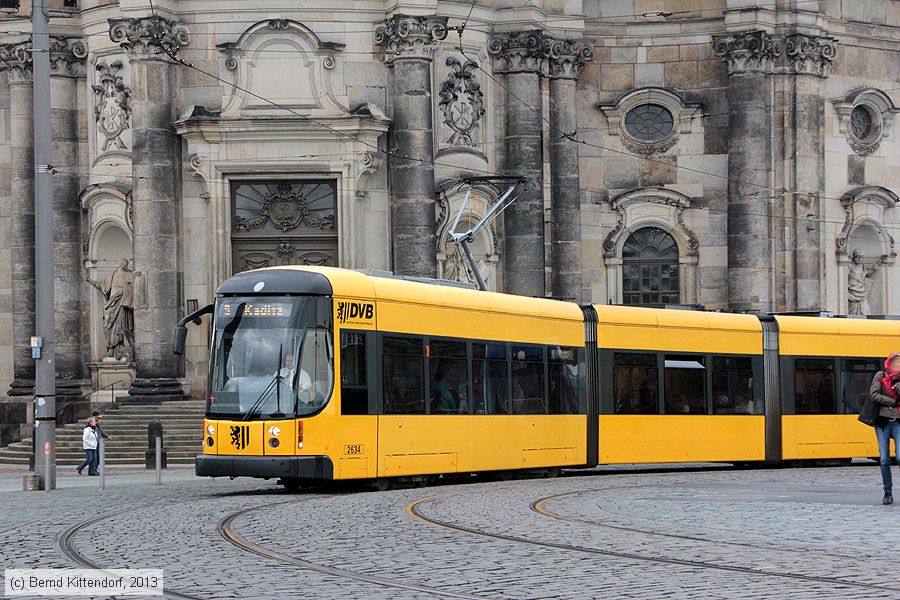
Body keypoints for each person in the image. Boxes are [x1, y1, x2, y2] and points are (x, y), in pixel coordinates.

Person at [868, 352, 900, 505]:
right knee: (884, 459)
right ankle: (888, 492)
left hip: (898, 421)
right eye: (896, 362)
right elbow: (874, 395)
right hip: (882, 421)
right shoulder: (880, 375)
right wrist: (892, 401)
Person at [90, 410, 111, 476]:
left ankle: (93, 470)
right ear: (94, 417)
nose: (98, 419)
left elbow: (101, 431)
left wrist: (106, 436)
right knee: (95, 458)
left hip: (98, 442)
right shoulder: (91, 424)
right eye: (98, 418)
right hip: (94, 442)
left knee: (97, 457)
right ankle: (92, 470)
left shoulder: (96, 424)